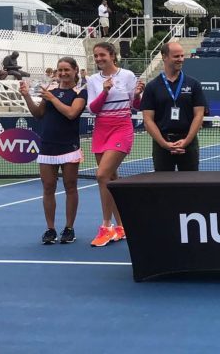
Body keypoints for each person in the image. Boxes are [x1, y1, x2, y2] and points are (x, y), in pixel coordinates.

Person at [19, 57, 86, 245]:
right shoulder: (50, 90)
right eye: (60, 70)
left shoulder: (81, 92)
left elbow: (72, 113)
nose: (63, 73)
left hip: (69, 146)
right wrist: (26, 96)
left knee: (70, 187)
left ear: (75, 71)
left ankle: (69, 228)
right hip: (47, 146)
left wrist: (52, 98)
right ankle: (50, 229)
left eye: (66, 70)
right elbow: (38, 114)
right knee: (48, 187)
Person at [86, 42, 144, 247]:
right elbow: (93, 109)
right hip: (101, 130)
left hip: (122, 128)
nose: (99, 59)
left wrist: (137, 94)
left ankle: (106, 226)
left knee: (101, 175)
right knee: (111, 177)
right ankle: (122, 226)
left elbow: (135, 105)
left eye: (102, 55)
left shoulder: (128, 76)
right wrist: (104, 91)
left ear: (112, 55)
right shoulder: (92, 80)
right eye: (96, 56)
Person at [140, 42, 206, 172]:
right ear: (164, 57)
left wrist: (186, 141)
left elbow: (199, 115)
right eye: (176, 56)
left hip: (189, 143)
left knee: (190, 187)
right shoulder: (152, 87)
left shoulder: (194, 84)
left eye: (182, 56)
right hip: (162, 143)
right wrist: (164, 144)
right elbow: (148, 120)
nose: (181, 59)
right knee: (163, 188)